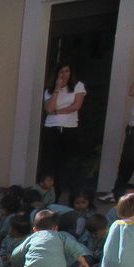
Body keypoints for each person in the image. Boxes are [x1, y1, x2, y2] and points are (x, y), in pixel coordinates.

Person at [41, 64, 87, 202]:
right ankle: (52, 196)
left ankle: (74, 196)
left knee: (71, 163)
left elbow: (76, 106)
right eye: (61, 71)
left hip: (70, 128)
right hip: (52, 128)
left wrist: (57, 111)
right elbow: (49, 109)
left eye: (67, 71)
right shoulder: (49, 90)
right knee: (51, 163)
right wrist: (56, 89)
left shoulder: (78, 86)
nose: (64, 74)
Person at [99, 77, 134, 203]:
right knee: (126, 163)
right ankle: (117, 192)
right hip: (132, 127)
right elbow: (132, 91)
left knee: (129, 161)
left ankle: (117, 193)